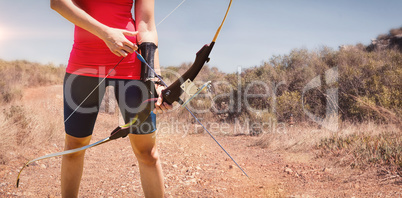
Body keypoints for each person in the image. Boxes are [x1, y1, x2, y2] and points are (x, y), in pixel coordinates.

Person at [50, 0, 170, 197]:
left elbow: (146, 25)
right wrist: (105, 33)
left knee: (148, 153)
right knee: (74, 147)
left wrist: (154, 78)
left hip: (131, 64)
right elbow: (58, 3)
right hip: (84, 63)